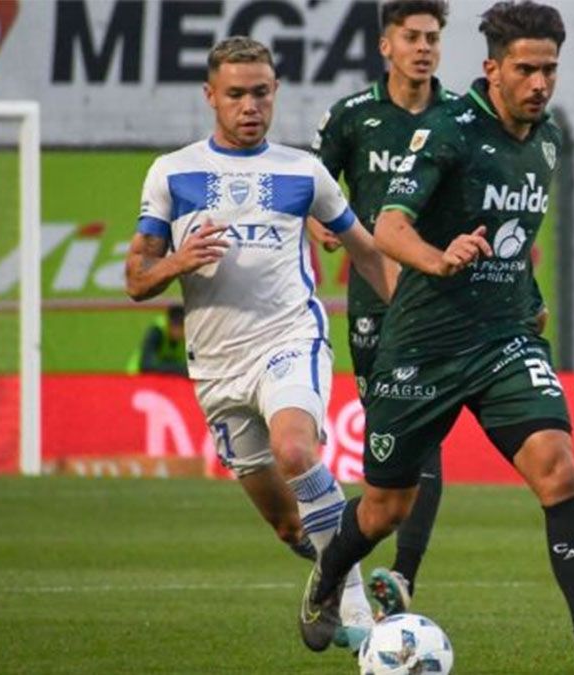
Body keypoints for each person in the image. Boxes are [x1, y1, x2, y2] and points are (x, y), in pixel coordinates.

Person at [299, 3, 574, 673]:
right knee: (383, 508)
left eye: (549, 69)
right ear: (492, 68)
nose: (540, 82)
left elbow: (514, 243)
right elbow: (391, 228)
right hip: (422, 347)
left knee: (559, 467)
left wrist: (530, 300)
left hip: (503, 341)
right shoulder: (448, 132)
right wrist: (440, 258)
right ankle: (327, 575)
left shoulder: (546, 139)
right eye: (525, 68)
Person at [124, 36, 399, 646]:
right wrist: (177, 261)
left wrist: (409, 323)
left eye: (261, 93)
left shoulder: (304, 173)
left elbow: (369, 254)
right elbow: (137, 279)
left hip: (289, 339)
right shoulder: (173, 173)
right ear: (210, 97)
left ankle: (355, 611)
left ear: (274, 93)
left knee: (297, 452)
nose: (251, 106)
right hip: (217, 368)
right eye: (236, 95)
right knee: (285, 524)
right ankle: (350, 591)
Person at [308, 0, 459, 618]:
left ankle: (403, 575)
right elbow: (314, 185)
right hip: (375, 300)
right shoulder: (353, 117)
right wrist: (323, 220)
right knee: (393, 440)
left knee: (428, 435)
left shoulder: (461, 119)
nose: (424, 47)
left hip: (443, 300)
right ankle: (341, 559)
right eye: (412, 37)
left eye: (432, 37)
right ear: (386, 46)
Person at [127, 304, 188, 376]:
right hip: (137, 376)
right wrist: (180, 369)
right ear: (168, 322)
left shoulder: (189, 336)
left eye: (180, 325)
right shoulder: (157, 332)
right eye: (174, 324)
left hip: (163, 380)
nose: (177, 330)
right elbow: (147, 366)